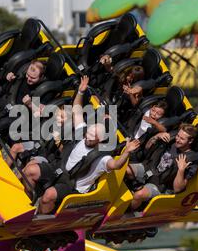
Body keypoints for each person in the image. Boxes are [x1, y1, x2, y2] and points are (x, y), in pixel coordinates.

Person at [22, 75, 140, 214]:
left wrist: (126, 152)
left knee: (49, 195)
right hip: (60, 169)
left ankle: (38, 221)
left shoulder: (102, 158)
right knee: (30, 171)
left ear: (100, 140)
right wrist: (80, 91)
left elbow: (116, 165)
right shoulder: (83, 132)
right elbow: (76, 109)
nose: (89, 136)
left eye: (93, 136)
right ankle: (27, 203)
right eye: (89, 132)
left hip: (73, 185)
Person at [127, 123, 198, 211]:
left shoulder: (190, 161)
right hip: (149, 169)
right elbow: (146, 148)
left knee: (139, 195)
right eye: (178, 135)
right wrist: (156, 137)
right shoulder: (171, 141)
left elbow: (178, 189)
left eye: (182, 139)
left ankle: (126, 212)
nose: (177, 139)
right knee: (125, 170)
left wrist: (181, 170)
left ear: (190, 141)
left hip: (160, 184)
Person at [0, 60, 47, 135]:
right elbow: (2, 86)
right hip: (10, 103)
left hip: (23, 116)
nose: (28, 79)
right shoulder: (23, 74)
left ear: (41, 77)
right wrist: (7, 78)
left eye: (33, 78)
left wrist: (30, 104)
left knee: (4, 122)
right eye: (28, 75)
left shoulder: (43, 91)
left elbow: (39, 115)